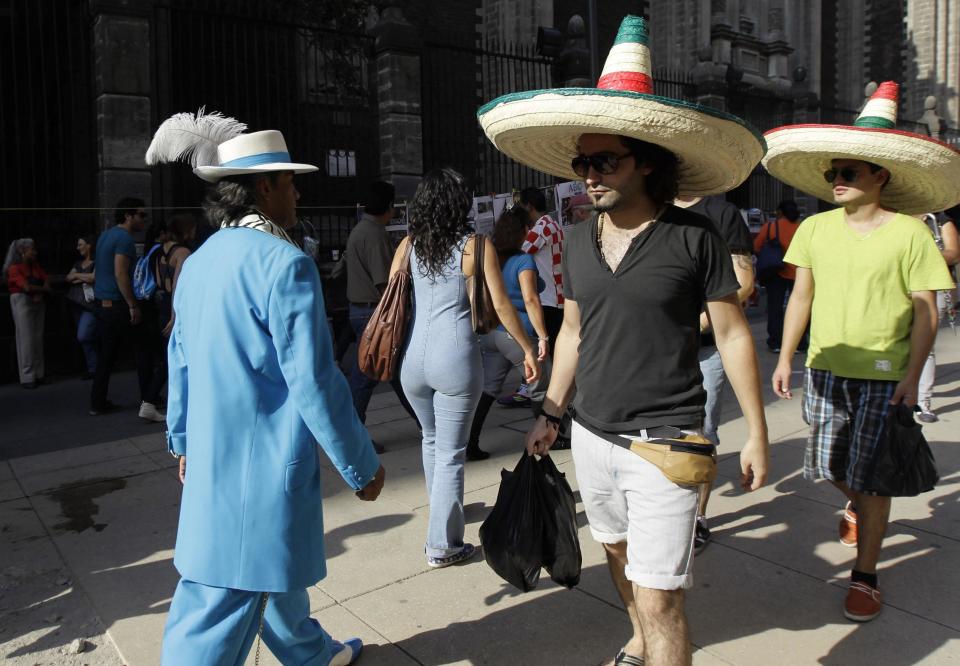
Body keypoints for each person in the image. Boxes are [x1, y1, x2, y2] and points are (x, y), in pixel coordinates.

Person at [481, 16, 770, 665]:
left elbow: (731, 334)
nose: (588, 174)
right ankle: (637, 639)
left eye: (603, 160)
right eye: (583, 162)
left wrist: (756, 428)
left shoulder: (694, 239)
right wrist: (551, 414)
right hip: (592, 435)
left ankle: (654, 634)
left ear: (646, 162)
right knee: (615, 553)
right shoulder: (578, 239)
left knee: (663, 595)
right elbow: (575, 333)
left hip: (667, 440)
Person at [147, 119, 382, 666]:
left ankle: (311, 653)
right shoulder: (286, 264)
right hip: (260, 465)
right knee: (218, 598)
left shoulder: (199, 261)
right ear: (264, 188)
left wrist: (180, 441)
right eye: (289, 181)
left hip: (213, 455)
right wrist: (360, 464)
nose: (298, 192)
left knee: (273, 574)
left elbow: (177, 361)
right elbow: (316, 381)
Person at [765, 81, 959, 623]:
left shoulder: (911, 235)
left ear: (880, 176)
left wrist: (912, 376)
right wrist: (785, 358)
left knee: (874, 476)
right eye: (834, 173)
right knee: (827, 464)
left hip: (884, 373)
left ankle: (866, 575)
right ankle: (858, 504)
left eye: (849, 172)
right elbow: (800, 295)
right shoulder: (814, 228)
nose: (838, 181)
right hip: (824, 369)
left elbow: (928, 309)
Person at [393, 168, 539, 568]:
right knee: (452, 451)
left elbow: (391, 296)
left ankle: (440, 508)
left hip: (411, 358)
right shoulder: (476, 246)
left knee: (430, 439)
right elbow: (503, 306)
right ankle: (443, 544)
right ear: (460, 205)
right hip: (454, 356)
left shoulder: (408, 245)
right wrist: (527, 347)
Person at [673, 193, 755, 554]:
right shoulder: (647, 205)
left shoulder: (721, 213)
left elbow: (744, 281)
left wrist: (694, 324)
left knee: (701, 435)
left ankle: (697, 518)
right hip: (654, 350)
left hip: (705, 347)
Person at [466, 207, 550, 461]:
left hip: (491, 333)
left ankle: (470, 441)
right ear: (523, 231)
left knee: (489, 388)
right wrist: (542, 336)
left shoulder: (492, 258)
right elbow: (531, 299)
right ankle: (548, 437)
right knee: (540, 387)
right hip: (518, 334)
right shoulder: (523, 260)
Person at [344, 180, 419, 452]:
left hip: (363, 310)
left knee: (393, 373)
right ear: (388, 206)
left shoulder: (361, 230)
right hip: (374, 314)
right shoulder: (374, 234)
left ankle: (425, 423)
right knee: (367, 377)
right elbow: (384, 284)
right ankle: (353, 436)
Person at [89, 198, 165, 419]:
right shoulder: (124, 239)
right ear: (128, 215)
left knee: (107, 356)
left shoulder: (106, 235)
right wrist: (133, 304)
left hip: (103, 304)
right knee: (143, 350)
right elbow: (120, 273)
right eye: (141, 215)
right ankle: (149, 397)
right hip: (118, 305)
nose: (144, 219)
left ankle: (97, 402)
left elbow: (99, 271)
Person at [916, 208, 959, 422]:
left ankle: (923, 402)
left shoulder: (940, 221)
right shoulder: (894, 216)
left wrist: (925, 254)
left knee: (926, 346)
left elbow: (953, 253)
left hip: (934, 288)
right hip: (897, 287)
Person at [753, 200, 804, 353]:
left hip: (776, 272)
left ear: (780, 212)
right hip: (799, 272)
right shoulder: (802, 228)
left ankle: (775, 342)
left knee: (775, 308)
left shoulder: (770, 227)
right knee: (799, 308)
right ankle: (799, 343)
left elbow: (756, 246)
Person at [4, 238, 51, 389]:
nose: (35, 252)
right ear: (22, 251)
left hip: (36, 301)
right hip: (22, 300)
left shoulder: (34, 266)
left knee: (37, 337)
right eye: (32, 249)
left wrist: (39, 290)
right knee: (26, 339)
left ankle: (39, 374)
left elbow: (45, 280)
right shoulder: (14, 268)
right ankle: (27, 375)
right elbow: (25, 287)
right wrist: (42, 290)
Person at [65, 235, 98, 379]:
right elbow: (68, 278)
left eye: (80, 244)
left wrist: (78, 276)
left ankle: (95, 367)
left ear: (89, 245)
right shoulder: (78, 263)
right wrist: (84, 276)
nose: (78, 248)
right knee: (86, 337)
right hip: (76, 303)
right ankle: (93, 368)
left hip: (90, 305)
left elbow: (93, 278)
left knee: (83, 335)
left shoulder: (97, 262)